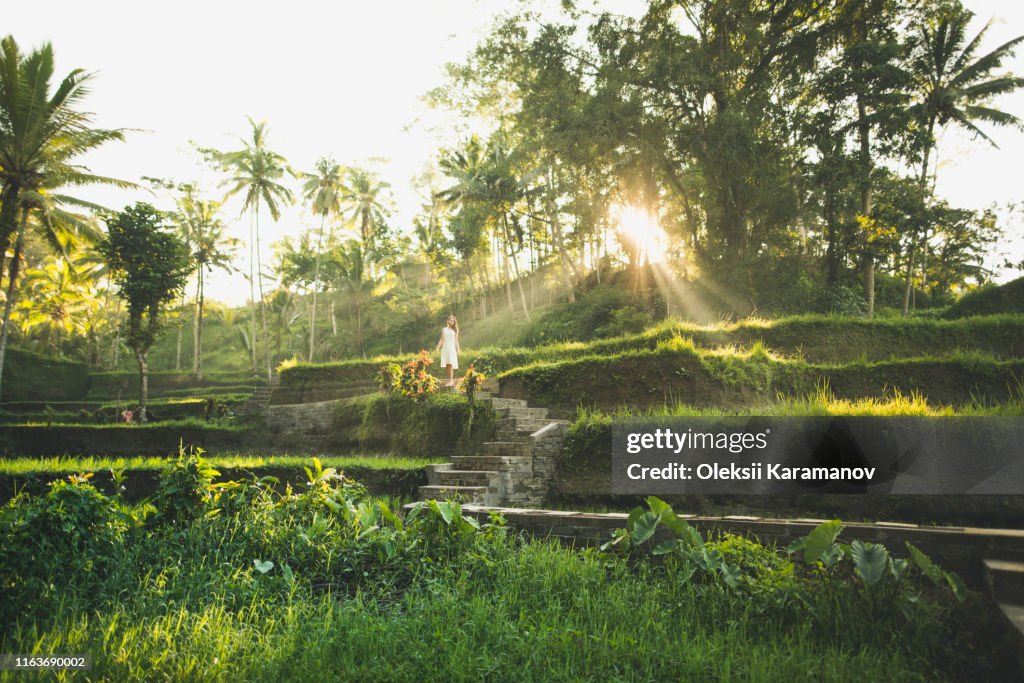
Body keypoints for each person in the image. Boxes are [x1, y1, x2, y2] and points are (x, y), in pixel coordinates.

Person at [435, 315, 460, 387]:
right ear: (448, 321)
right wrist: (437, 348)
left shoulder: (455, 330)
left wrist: (458, 349)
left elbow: (456, 340)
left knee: (451, 364)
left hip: (452, 348)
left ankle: (451, 380)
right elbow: (441, 340)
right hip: (445, 348)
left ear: (454, 322)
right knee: (447, 365)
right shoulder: (444, 329)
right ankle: (450, 380)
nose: (452, 322)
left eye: (453, 321)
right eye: (451, 320)